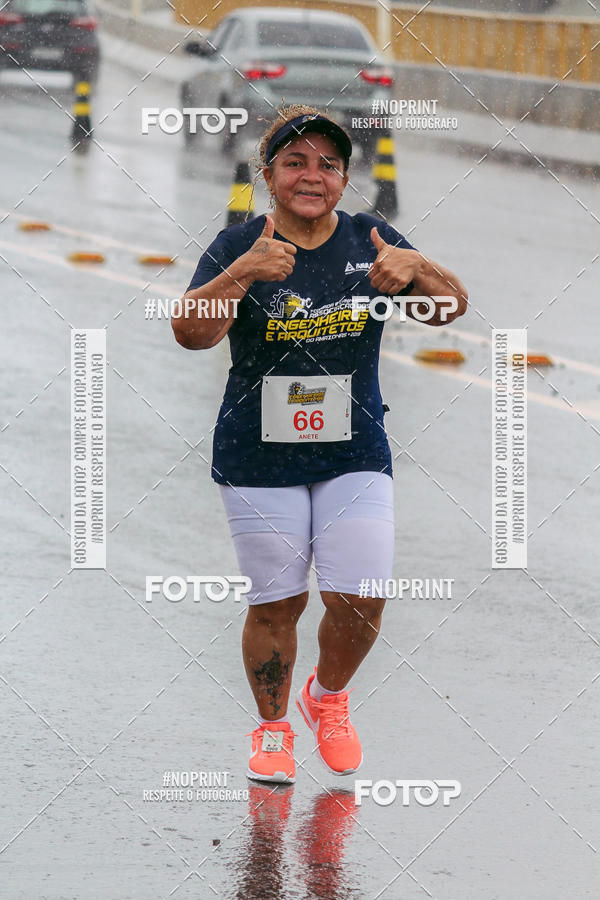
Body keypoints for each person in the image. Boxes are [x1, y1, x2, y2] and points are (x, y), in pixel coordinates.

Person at [172, 104, 468, 783]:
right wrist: (241, 273)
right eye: (296, 163)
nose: (313, 176)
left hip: (352, 448)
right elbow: (190, 332)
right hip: (258, 452)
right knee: (278, 604)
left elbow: (449, 306)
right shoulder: (238, 244)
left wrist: (417, 265)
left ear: (343, 177)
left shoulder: (371, 237)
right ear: (268, 173)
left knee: (362, 594)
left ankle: (327, 699)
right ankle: (273, 730)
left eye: (328, 165)